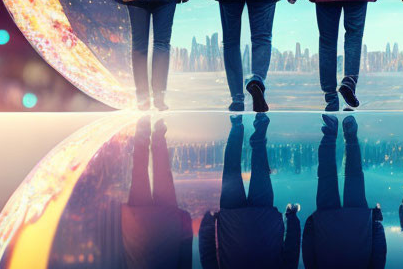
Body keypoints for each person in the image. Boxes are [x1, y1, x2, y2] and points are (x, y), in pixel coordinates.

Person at [199, 114, 301, 269]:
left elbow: (291, 255)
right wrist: (208, 222)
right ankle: (237, 124)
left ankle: (259, 129)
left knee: (259, 172)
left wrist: (292, 218)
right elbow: (208, 257)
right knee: (231, 169)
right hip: (232, 222)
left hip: (264, 219)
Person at [302, 115, 386, 269]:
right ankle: (330, 132)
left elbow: (378, 255)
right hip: (326, 225)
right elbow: (309, 255)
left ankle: (350, 133)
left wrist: (376, 224)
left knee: (354, 174)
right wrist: (310, 227)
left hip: (358, 224)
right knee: (327, 176)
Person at [121, 116, 193, 268]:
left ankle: (158, 127)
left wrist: (184, 219)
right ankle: (143, 124)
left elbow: (184, 258)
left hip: (168, 223)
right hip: (137, 226)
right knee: (140, 171)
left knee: (162, 172)